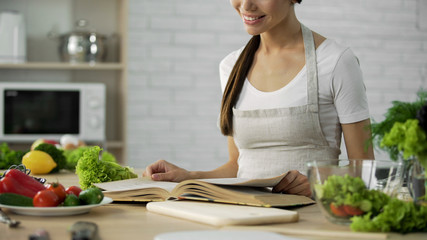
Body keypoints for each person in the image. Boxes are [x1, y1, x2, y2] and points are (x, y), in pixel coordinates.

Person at [143, 0, 374, 197]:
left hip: (312, 217)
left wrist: (320, 182)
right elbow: (237, 167)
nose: (246, 5)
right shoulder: (232, 67)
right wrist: (187, 176)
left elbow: (364, 168)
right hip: (248, 213)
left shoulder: (335, 61)